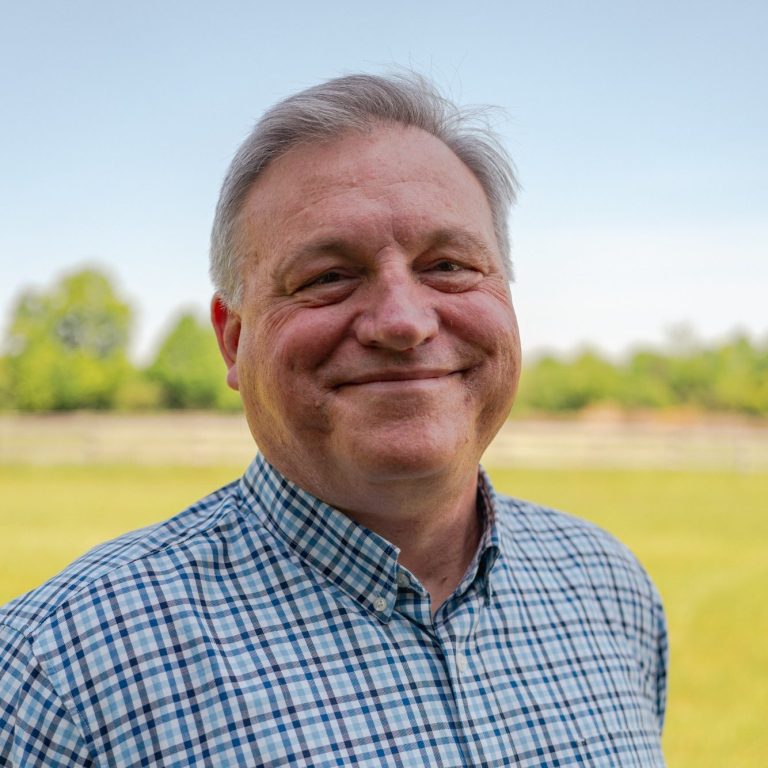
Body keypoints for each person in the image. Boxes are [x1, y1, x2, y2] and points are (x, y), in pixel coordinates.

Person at [0, 73, 667, 767]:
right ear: (233, 340)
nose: (404, 322)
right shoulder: (53, 674)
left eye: (448, 265)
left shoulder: (609, 588)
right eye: (325, 277)